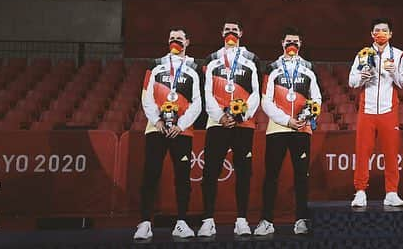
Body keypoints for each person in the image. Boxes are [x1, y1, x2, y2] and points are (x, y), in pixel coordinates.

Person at [133, 28, 202, 241]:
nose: (175, 41)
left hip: (181, 131)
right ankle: (145, 223)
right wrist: (158, 121)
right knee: (151, 174)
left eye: (179, 39)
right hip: (157, 129)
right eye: (172, 38)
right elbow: (147, 97)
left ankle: (181, 222)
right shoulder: (154, 65)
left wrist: (180, 125)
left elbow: (197, 102)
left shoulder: (194, 69)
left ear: (187, 42)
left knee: (182, 178)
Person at [255, 27, 322, 236]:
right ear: (282, 43)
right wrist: (286, 120)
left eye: (295, 41)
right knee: (271, 176)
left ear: (300, 44)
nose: (291, 45)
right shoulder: (272, 68)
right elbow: (265, 101)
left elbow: (317, 98)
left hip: (302, 130)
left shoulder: (309, 69)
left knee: (302, 177)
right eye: (288, 41)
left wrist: (306, 117)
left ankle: (301, 220)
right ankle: (266, 221)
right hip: (277, 129)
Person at [198, 21, 259, 237]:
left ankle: (241, 220)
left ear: (241, 33)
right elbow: (206, 93)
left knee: (243, 173)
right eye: (227, 30)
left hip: (244, 125)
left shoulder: (252, 60)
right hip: (217, 124)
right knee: (210, 172)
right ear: (222, 33)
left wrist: (242, 114)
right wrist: (221, 116)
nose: (231, 33)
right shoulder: (211, 60)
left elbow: (256, 93)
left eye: (235, 30)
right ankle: (207, 220)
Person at [348, 18, 403, 208]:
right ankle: (360, 191)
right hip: (367, 110)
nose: (380, 33)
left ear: (390, 34)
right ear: (371, 34)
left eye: (384, 30)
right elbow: (351, 81)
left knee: (391, 153)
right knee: (363, 152)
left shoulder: (398, 55)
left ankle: (391, 192)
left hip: (388, 110)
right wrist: (361, 77)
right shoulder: (363, 54)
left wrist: (393, 73)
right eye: (377, 30)